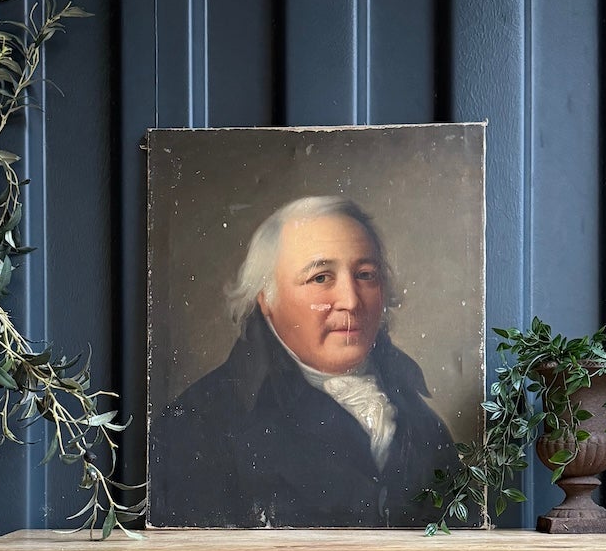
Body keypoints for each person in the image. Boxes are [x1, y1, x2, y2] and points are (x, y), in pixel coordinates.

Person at [150, 195, 459, 527]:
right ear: (266, 298)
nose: (351, 300)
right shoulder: (199, 426)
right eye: (321, 277)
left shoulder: (420, 418)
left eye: (366, 275)